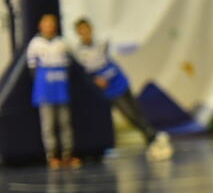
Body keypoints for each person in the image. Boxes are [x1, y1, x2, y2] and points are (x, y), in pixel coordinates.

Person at [73, 18, 173, 161]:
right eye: (81, 30)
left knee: (136, 110)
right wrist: (96, 80)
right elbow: (85, 73)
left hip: (118, 80)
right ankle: (153, 137)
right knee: (128, 113)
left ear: (91, 29)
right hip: (109, 88)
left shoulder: (102, 44)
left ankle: (152, 138)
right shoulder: (79, 52)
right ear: (78, 33)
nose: (85, 32)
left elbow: (112, 59)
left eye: (87, 28)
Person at [26, 14, 80, 169]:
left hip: (61, 89)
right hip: (45, 90)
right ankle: (52, 155)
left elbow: (69, 65)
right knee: (48, 125)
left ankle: (68, 154)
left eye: (52, 23)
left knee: (65, 123)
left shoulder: (62, 43)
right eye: (46, 23)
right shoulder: (35, 44)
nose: (49, 26)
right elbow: (32, 69)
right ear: (40, 25)